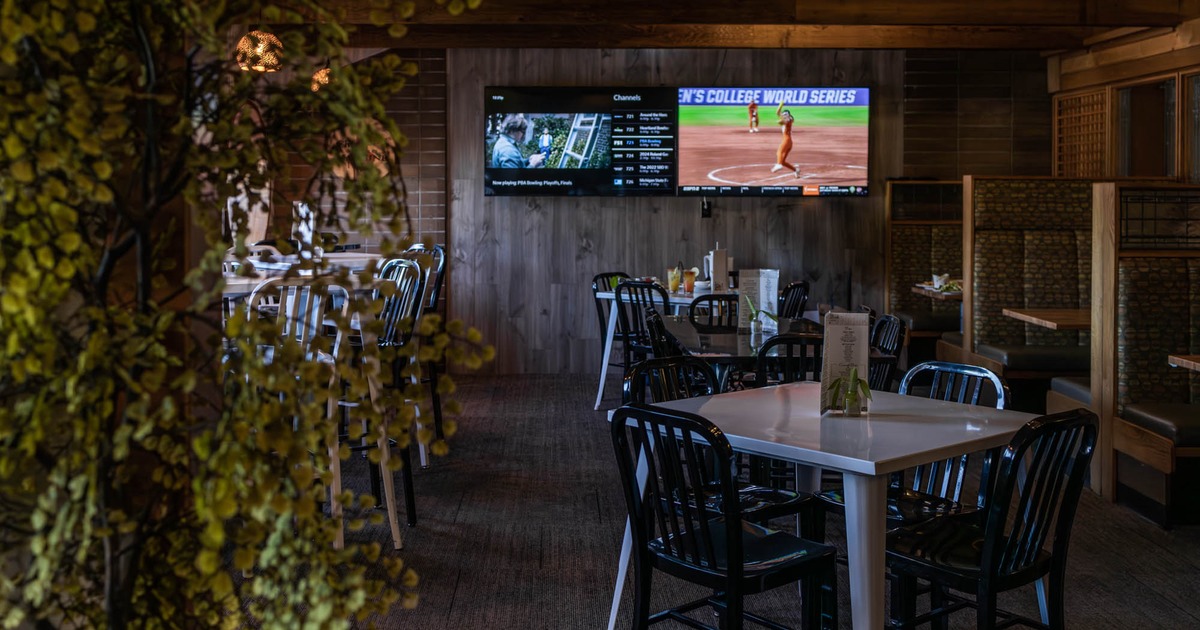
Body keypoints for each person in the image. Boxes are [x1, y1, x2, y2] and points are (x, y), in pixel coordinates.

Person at [770, 102, 800, 178]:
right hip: (789, 142)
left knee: (779, 152)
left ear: (788, 115)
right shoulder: (789, 119)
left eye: (785, 115)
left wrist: (779, 121)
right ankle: (796, 170)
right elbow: (778, 113)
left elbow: (781, 120)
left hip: (786, 140)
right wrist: (781, 105)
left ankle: (778, 164)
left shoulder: (788, 119)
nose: (783, 116)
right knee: (783, 161)